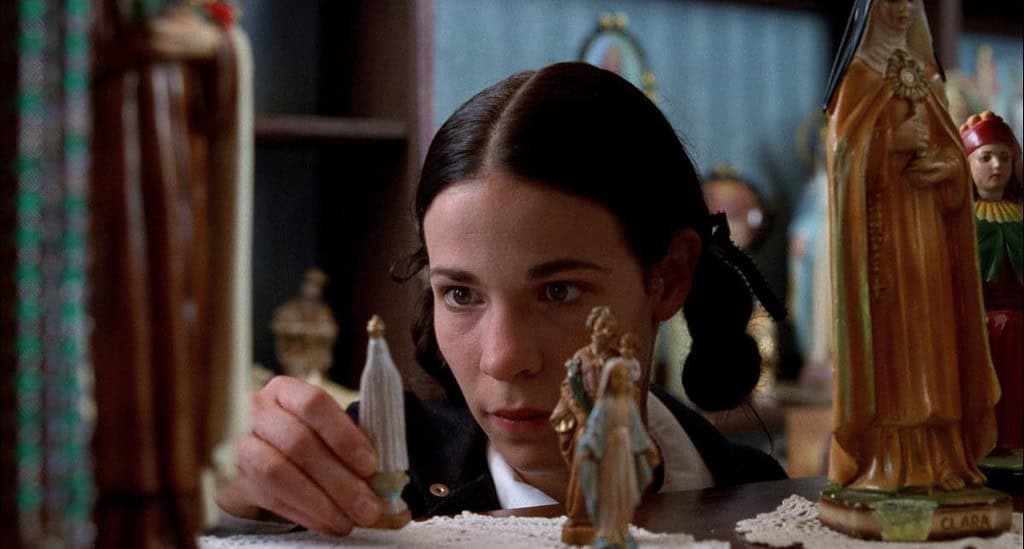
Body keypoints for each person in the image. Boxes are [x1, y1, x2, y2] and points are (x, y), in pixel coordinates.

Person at [214, 61, 786, 536]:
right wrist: (223, 480)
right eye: (461, 294)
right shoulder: (368, 464)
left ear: (667, 277)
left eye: (559, 291)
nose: (502, 357)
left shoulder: (759, 496)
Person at [823, 0, 999, 492]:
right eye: (891, 0)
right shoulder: (857, 77)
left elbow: (949, 150)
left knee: (936, 340)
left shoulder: (928, 75)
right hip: (883, 240)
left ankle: (945, 458)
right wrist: (888, 144)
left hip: (930, 239)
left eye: (911, 0)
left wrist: (948, 170)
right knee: (895, 341)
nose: (902, 10)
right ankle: (888, 462)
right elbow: (841, 159)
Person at [960, 111, 1023, 456]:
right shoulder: (961, 220)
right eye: (985, 157)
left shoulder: (1021, 214)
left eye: (1004, 156)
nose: (996, 165)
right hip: (980, 328)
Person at [577, 341, 659, 549]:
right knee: (609, 494)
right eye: (617, 377)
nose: (621, 381)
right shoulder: (605, 404)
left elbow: (637, 430)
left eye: (624, 377)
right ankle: (607, 531)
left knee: (624, 493)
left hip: (625, 452)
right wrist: (588, 447)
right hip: (610, 454)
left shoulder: (628, 403)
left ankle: (621, 530)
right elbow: (595, 428)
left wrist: (647, 448)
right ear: (609, 380)